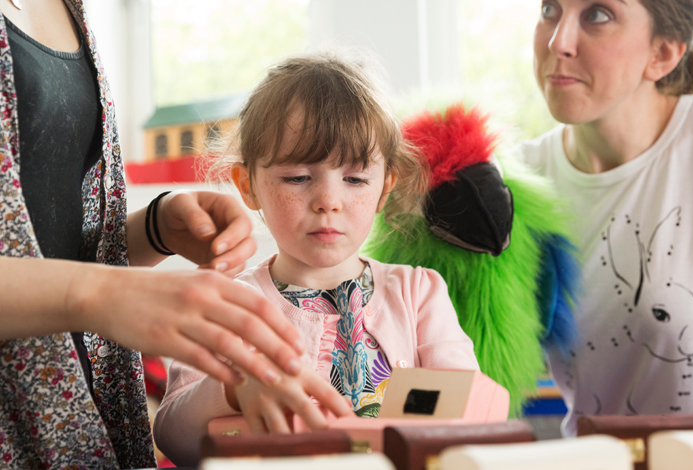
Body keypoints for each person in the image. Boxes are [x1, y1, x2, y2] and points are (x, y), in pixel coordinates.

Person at [0, 1, 335, 468]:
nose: (329, 201)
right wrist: (101, 294)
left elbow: (48, 236)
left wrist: (153, 230)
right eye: (298, 176)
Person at [154, 50, 480, 465]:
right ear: (247, 185)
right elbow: (172, 436)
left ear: (384, 189)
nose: (328, 201)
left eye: (356, 179)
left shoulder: (418, 294)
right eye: (298, 177)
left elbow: (465, 407)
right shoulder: (224, 305)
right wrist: (234, 388)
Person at [517, 0, 693, 436]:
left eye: (597, 15)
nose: (558, 41)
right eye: (549, 9)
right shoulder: (520, 182)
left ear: (662, 54)